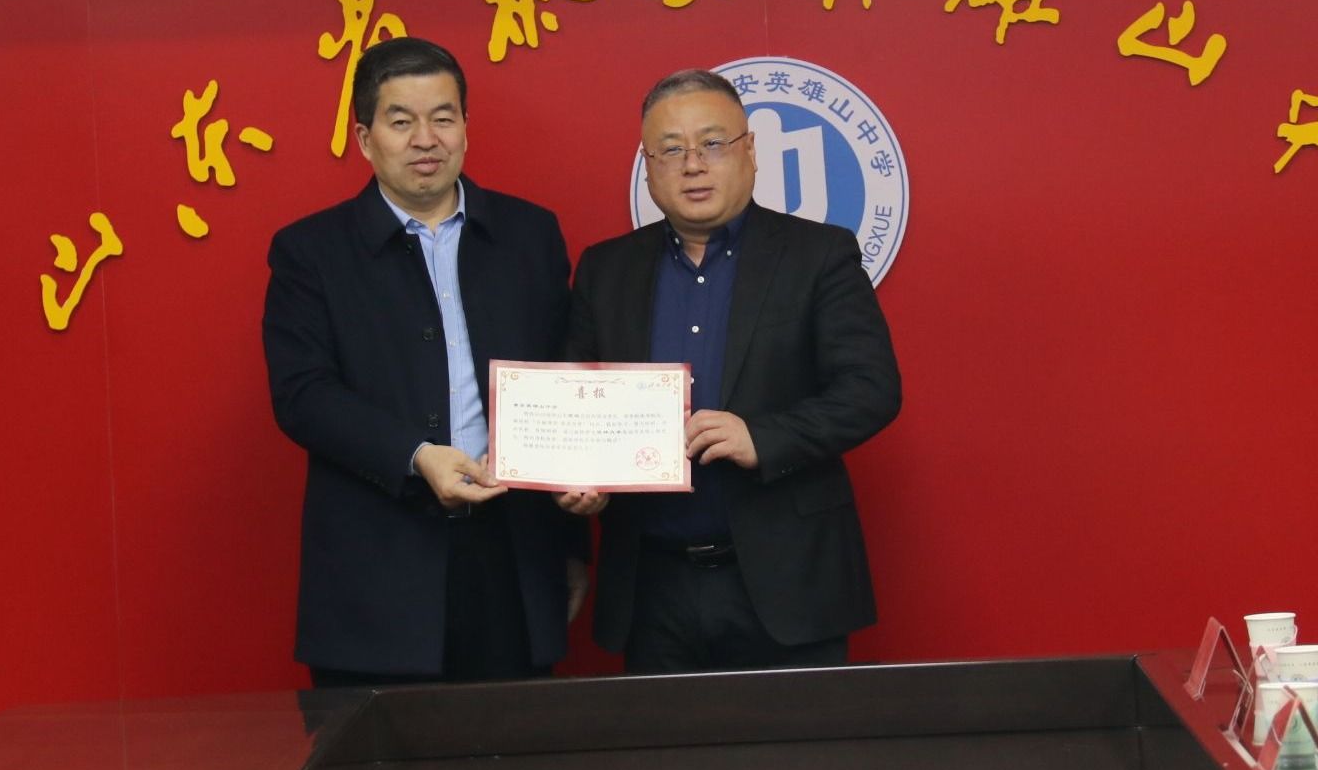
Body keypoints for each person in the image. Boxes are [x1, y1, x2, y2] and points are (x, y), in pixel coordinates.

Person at [263, 36, 586, 686]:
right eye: (401, 121)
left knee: (511, 746)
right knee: (382, 752)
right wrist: (417, 455)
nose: (425, 139)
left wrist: (577, 535)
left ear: (465, 127)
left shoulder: (529, 235)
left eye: (443, 117)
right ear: (365, 138)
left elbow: (567, 377)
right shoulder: (312, 252)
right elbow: (303, 394)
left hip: (511, 555)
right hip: (376, 567)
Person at [558, 68, 902, 673]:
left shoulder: (818, 254)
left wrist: (760, 437)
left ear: (750, 151)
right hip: (651, 585)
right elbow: (573, 400)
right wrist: (578, 475)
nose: (693, 165)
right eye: (671, 150)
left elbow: (871, 389)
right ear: (648, 166)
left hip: (786, 578)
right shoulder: (605, 270)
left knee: (796, 738)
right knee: (663, 738)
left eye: (713, 143)